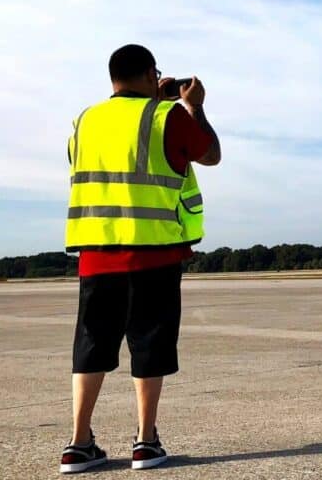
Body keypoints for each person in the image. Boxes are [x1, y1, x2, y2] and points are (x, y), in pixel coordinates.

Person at [61, 44, 221, 474]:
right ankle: (145, 442)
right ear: (152, 75)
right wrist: (192, 107)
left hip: (95, 252)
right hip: (154, 253)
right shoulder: (166, 116)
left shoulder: (85, 119)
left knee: (90, 347)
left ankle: (78, 443)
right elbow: (210, 154)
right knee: (149, 346)